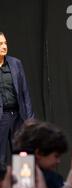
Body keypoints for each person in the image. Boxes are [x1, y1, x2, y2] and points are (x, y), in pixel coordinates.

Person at [0, 32, 34, 164]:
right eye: (0, 44)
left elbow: (25, 92)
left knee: (22, 156)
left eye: (5, 43)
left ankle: (23, 184)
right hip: (1, 118)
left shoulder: (15, 63)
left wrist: (30, 119)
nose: (4, 46)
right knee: (1, 158)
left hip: (18, 117)